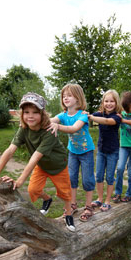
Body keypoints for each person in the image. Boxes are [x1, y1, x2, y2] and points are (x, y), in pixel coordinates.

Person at [0, 92, 75, 232]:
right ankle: (47, 199)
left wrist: (19, 180)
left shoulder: (48, 131)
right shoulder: (24, 128)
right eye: (26, 112)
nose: (30, 116)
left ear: (42, 114)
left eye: (35, 112)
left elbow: (34, 158)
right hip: (42, 165)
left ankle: (68, 214)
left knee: (65, 193)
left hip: (58, 166)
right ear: (22, 114)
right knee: (33, 189)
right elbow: (10, 150)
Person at [48, 83, 95, 222]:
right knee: (71, 179)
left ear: (78, 99)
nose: (65, 98)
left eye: (69, 95)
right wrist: (31, 122)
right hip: (73, 152)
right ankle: (73, 205)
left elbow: (74, 128)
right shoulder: (62, 115)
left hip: (86, 152)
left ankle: (88, 207)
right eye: (64, 96)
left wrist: (58, 126)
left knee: (87, 180)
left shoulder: (83, 115)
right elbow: (48, 121)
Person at [88, 90, 122, 211]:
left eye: (111, 101)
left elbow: (108, 122)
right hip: (101, 150)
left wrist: (92, 117)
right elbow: (88, 116)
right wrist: (84, 114)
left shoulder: (117, 116)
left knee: (109, 177)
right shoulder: (99, 113)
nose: (109, 103)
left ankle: (107, 200)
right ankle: (100, 199)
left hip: (113, 151)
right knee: (99, 176)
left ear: (116, 102)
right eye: (106, 101)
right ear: (103, 102)